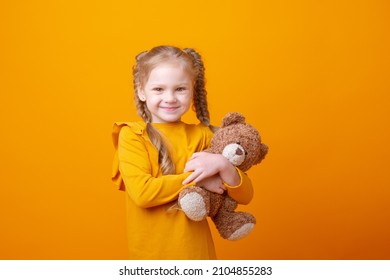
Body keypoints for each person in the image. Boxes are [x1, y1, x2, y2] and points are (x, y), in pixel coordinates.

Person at [112, 45, 254, 259]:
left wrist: (222, 165)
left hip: (196, 255)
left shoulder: (204, 135)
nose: (170, 98)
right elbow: (143, 193)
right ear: (142, 91)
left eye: (180, 89)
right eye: (158, 89)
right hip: (150, 257)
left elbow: (246, 195)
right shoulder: (132, 135)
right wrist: (198, 180)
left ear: (192, 90)